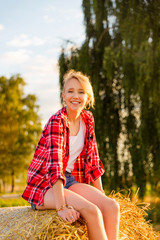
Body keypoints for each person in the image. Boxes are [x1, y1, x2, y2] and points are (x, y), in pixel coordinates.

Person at [22, 70, 120, 240]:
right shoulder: (57, 122)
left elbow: (93, 160)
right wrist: (61, 208)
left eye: (81, 92)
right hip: (44, 185)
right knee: (92, 211)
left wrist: (101, 194)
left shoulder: (88, 119)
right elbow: (55, 167)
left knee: (111, 206)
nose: (76, 96)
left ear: (88, 98)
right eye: (70, 91)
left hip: (69, 180)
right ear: (63, 96)